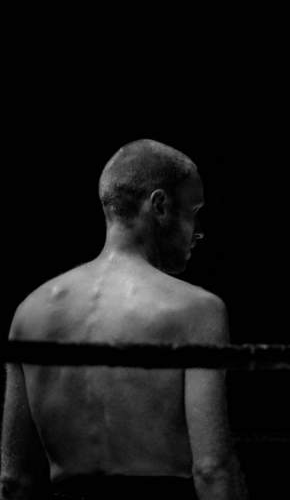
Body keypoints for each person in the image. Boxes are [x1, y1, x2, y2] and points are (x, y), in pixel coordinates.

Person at [2, 140, 247, 500]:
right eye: (194, 210)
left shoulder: (29, 312)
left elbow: (13, 481)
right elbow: (211, 469)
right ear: (160, 206)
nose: (200, 229)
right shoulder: (195, 309)